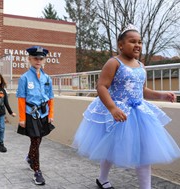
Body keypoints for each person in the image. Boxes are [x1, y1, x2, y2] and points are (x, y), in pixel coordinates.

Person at [73, 24, 180, 189]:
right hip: (119, 113)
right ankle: (102, 178)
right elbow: (101, 87)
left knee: (144, 152)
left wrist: (162, 95)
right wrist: (112, 108)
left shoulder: (141, 66)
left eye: (140, 41)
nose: (137, 45)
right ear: (121, 45)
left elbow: (142, 91)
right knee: (109, 148)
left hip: (140, 114)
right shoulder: (113, 63)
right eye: (132, 41)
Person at [16, 45, 54, 186]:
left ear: (44, 60)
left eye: (41, 58)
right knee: (35, 140)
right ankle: (37, 171)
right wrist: (22, 118)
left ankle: (30, 157)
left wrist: (50, 114)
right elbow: (21, 99)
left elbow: (50, 97)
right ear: (30, 59)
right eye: (35, 58)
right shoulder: (24, 78)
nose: (38, 60)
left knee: (38, 140)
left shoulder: (47, 78)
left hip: (43, 113)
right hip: (30, 114)